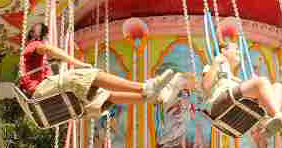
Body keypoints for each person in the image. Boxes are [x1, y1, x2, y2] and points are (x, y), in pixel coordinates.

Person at [17, 23, 180, 117]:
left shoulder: (32, 64)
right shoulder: (33, 46)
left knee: (105, 96)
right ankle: (145, 87)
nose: (46, 41)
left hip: (44, 100)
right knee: (88, 75)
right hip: (41, 94)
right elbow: (49, 50)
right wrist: (78, 64)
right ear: (39, 37)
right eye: (46, 38)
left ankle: (155, 97)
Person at [201, 37, 282, 137]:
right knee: (262, 82)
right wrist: (216, 63)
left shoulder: (234, 78)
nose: (239, 52)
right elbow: (205, 86)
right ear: (224, 51)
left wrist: (256, 87)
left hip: (236, 105)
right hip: (220, 105)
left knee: (278, 87)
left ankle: (272, 121)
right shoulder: (213, 68)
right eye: (236, 49)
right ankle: (277, 117)